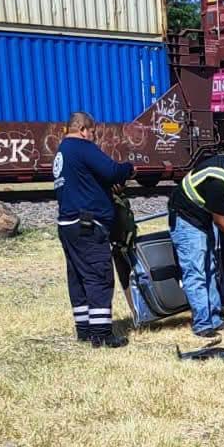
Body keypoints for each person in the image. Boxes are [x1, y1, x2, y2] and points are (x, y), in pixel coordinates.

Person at [53, 112, 135, 348]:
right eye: (93, 133)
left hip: (68, 223)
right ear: (82, 129)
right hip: (88, 224)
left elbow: (86, 181)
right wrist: (129, 169)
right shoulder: (81, 147)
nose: (94, 137)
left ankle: (84, 329)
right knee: (99, 276)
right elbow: (112, 171)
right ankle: (101, 335)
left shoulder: (62, 152)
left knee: (78, 278)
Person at [168, 153, 224, 339]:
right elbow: (220, 221)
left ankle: (215, 319)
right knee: (196, 272)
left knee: (210, 269)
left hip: (201, 218)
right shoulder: (218, 182)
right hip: (186, 220)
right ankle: (202, 324)